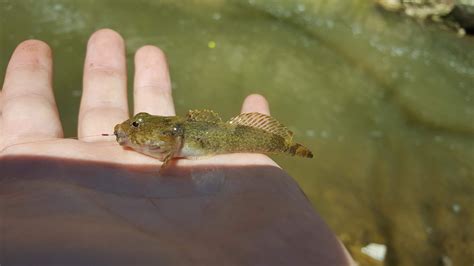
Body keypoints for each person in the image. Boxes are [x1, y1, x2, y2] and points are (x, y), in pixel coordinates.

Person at [0, 29, 354, 265]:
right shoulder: (169, 136)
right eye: (133, 127)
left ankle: (292, 149)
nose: (129, 133)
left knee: (289, 148)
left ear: (171, 142)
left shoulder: (172, 143)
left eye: (137, 129)